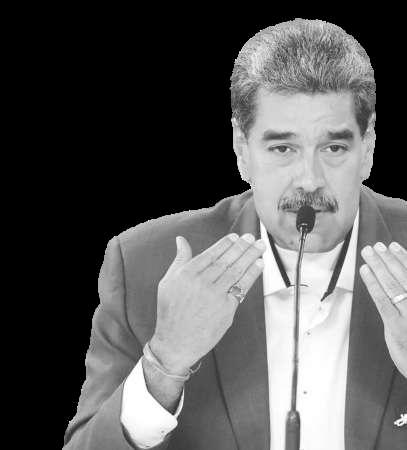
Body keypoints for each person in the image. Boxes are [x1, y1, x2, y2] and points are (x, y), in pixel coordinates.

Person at [64, 19, 407, 450]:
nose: (309, 180)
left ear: (368, 147)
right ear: (242, 149)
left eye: (334, 148)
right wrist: (165, 362)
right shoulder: (143, 266)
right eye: (282, 148)